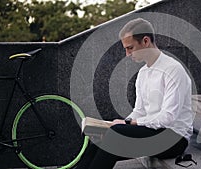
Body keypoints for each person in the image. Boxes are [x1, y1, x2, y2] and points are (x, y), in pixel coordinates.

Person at [77, 18, 194, 169]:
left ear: (145, 41)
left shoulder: (173, 69)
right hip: (151, 131)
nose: (127, 54)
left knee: (115, 134)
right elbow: (139, 111)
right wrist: (115, 124)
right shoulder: (143, 73)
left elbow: (168, 118)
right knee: (102, 139)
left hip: (174, 139)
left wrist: (126, 124)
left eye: (130, 48)